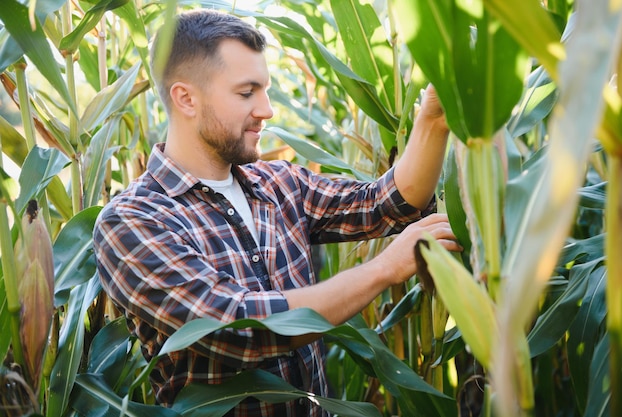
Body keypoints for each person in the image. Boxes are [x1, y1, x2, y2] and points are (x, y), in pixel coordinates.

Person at [93, 8, 461, 417]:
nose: (267, 110)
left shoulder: (278, 184)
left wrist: (433, 120)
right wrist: (383, 269)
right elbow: (240, 327)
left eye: (265, 90)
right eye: (247, 92)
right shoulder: (133, 221)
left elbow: (388, 202)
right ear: (186, 98)